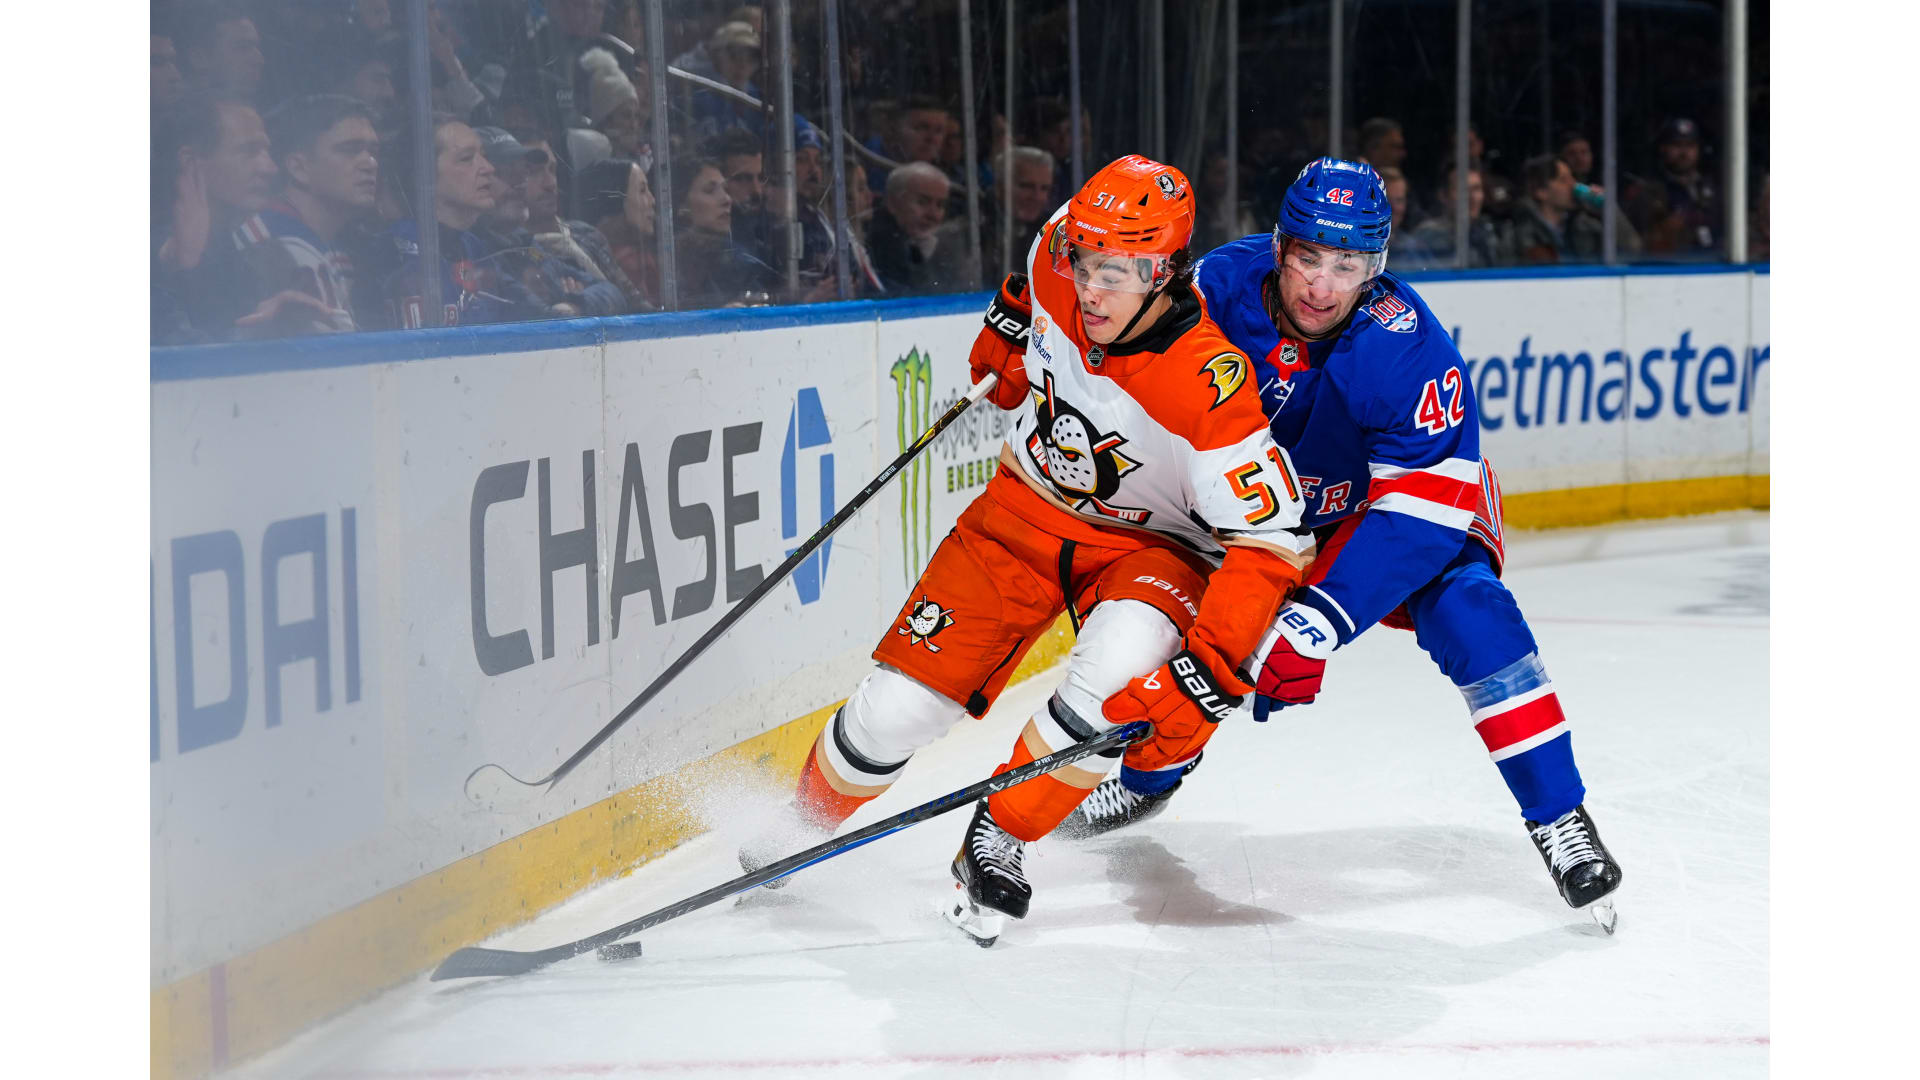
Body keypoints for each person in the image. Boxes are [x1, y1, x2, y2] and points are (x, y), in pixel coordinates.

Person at [740, 155, 1314, 946]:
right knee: (896, 712)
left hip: (1155, 546)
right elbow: (1026, 305)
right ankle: (797, 826)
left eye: (1117, 273)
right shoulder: (1055, 252)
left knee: (1116, 677)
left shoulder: (1208, 385)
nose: (1091, 289)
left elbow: (1273, 543)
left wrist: (1211, 668)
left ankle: (998, 836)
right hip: (1022, 511)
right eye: (1085, 261)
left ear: (1165, 271)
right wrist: (1007, 334)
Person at [1067, 158, 1625, 933]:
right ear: (1278, 247)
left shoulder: (1407, 347)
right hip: (1254, 515)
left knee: (1473, 613)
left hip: (1387, 513)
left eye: (1348, 265)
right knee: (1184, 624)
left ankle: (1560, 817)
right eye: (1308, 259)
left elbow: (1422, 513)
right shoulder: (1216, 290)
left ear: (1376, 268)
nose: (1323, 288)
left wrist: (1314, 622)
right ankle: (1149, 776)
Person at [232, 94, 383, 336]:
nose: (370, 163)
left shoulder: (346, 244)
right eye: (350, 150)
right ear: (298, 167)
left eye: (373, 151)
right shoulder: (263, 239)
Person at [376, 116, 545, 328]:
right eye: (466, 159)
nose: (488, 168)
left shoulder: (476, 248)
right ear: (424, 175)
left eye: (483, 156)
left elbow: (533, 313)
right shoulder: (390, 252)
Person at [521, 137, 652, 311]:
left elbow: (635, 304)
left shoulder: (585, 233)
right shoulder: (517, 251)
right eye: (533, 172)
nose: (550, 183)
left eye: (552, 169)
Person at [670, 157, 778, 309]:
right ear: (682, 206)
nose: (727, 199)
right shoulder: (666, 265)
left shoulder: (739, 262)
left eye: (726, 190)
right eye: (710, 191)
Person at [1625, 117, 1722, 257]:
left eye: (1690, 145)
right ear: (1663, 148)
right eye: (1677, 145)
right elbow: (1636, 242)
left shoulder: (1712, 186)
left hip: (1715, 261)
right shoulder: (1649, 190)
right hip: (1670, 263)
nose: (1684, 152)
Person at [576, 157, 661, 309]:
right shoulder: (630, 265)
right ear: (613, 201)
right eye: (642, 191)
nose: (652, 200)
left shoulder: (646, 258)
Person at [867, 162, 955, 294]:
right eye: (922, 202)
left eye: (940, 205)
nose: (933, 214)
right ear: (893, 202)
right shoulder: (881, 243)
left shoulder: (936, 243)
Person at [1401, 163, 1498, 269]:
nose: (1472, 197)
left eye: (1476, 189)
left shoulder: (1486, 233)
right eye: (1463, 190)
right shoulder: (1428, 237)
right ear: (1443, 195)